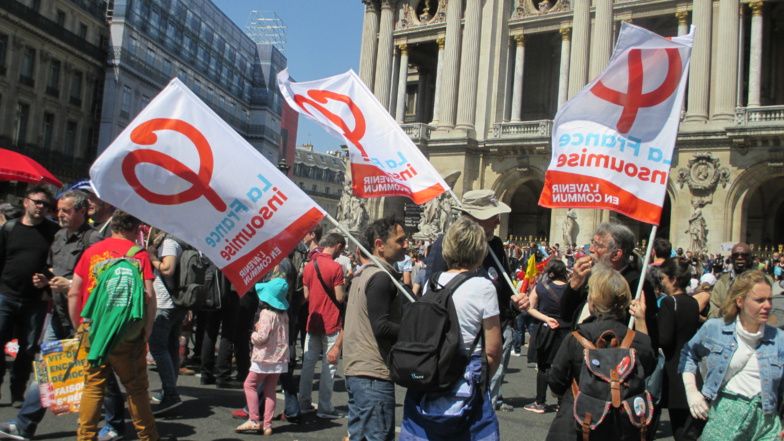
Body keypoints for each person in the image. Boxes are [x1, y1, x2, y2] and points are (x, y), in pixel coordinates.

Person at [0, 190, 112, 440]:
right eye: (59, 209)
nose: (59, 214)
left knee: (102, 374)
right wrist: (45, 280)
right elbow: (54, 268)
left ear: (82, 211)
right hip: (59, 316)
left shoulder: (93, 239)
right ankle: (25, 425)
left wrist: (70, 284)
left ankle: (114, 423)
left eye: (66, 211)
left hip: (83, 320)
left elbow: (102, 280)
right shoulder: (60, 235)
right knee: (46, 370)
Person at [400, 217, 502, 441]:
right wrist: (481, 380)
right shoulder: (484, 287)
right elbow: (493, 350)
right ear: (480, 250)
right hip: (468, 372)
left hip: (431, 372)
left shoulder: (432, 282)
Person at [65, 210, 163, 441]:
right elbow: (149, 295)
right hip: (126, 332)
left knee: (93, 387)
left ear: (113, 227)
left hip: (93, 329)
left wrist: (79, 327)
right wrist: (147, 327)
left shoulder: (92, 251)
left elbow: (73, 293)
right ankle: (148, 437)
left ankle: (85, 437)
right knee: (136, 388)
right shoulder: (138, 254)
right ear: (136, 229)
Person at [425, 189, 526, 412]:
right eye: (493, 216)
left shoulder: (496, 245)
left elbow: (504, 291)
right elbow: (433, 293)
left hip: (494, 334)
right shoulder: (445, 243)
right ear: (474, 217)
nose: (498, 221)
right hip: (456, 342)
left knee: (482, 402)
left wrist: (515, 303)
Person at [546, 265, 656, 440]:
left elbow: (556, 382)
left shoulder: (576, 339)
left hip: (577, 422)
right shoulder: (637, 341)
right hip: (622, 427)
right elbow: (648, 367)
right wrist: (641, 321)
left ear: (592, 302)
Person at [679, 270, 784, 441]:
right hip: (724, 415)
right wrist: (692, 392)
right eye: (759, 300)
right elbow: (688, 354)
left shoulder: (779, 339)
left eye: (769, 299)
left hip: (766, 422)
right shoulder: (715, 329)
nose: (767, 305)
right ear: (740, 301)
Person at [343, 216, 407, 441]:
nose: (406, 245)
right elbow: (381, 327)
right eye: (400, 240)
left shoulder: (363, 273)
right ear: (379, 245)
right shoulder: (380, 277)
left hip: (358, 369)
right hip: (373, 373)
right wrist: (414, 331)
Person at [0, 186, 59, 407]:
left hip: (35, 300)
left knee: (27, 348)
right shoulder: (10, 228)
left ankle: (18, 392)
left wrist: (46, 283)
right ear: (26, 202)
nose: (41, 207)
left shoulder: (53, 232)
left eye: (45, 204)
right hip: (6, 295)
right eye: (37, 202)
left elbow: (57, 263)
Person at [559, 222, 657, 350]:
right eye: (593, 242)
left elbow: (647, 334)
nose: (591, 249)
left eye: (599, 245)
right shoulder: (589, 276)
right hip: (580, 351)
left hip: (612, 355)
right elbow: (566, 315)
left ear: (616, 254)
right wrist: (574, 286)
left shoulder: (637, 285)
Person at [633, 258, 701, 441]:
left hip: (673, 370)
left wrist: (646, 323)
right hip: (690, 366)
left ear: (674, 279)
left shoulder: (670, 302)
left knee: (678, 428)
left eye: (663, 278)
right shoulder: (692, 302)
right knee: (687, 429)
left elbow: (664, 339)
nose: (662, 282)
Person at [298, 233, 346, 419]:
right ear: (338, 246)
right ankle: (325, 407)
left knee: (308, 364)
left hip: (313, 320)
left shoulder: (310, 265)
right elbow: (339, 297)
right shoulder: (336, 267)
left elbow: (306, 295)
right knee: (329, 366)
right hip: (331, 320)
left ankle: (304, 403)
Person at [236, 277, 290, 435]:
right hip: (279, 358)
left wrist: (254, 334)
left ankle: (253, 419)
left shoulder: (266, 314)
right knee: (270, 391)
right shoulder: (284, 315)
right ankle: (267, 424)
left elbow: (262, 337)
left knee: (249, 385)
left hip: (264, 357)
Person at [524, 260, 571, 414]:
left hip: (546, 329)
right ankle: (562, 402)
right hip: (566, 330)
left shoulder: (541, 287)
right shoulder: (571, 289)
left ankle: (540, 402)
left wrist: (546, 318)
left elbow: (529, 308)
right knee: (564, 367)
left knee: (543, 367)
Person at [146, 230, 185, 414]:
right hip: (175, 302)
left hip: (165, 303)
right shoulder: (180, 240)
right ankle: (170, 390)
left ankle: (170, 394)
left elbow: (168, 269)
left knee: (159, 349)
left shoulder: (170, 242)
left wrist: (152, 257)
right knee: (170, 349)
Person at [707, 243, 772, 319]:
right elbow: (712, 312)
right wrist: (727, 313)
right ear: (731, 258)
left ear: (751, 258)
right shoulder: (722, 282)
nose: (740, 257)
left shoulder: (766, 281)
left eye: (744, 255)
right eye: (736, 255)